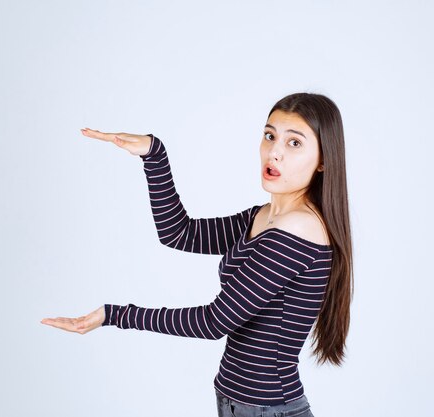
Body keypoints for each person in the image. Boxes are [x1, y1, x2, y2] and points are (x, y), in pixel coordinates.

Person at [41, 92, 353, 417]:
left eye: (294, 143)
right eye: (269, 135)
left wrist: (116, 314)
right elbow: (180, 233)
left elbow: (214, 321)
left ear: (323, 160)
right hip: (239, 402)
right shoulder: (262, 217)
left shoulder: (299, 230)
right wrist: (154, 154)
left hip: (269, 409)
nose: (274, 152)